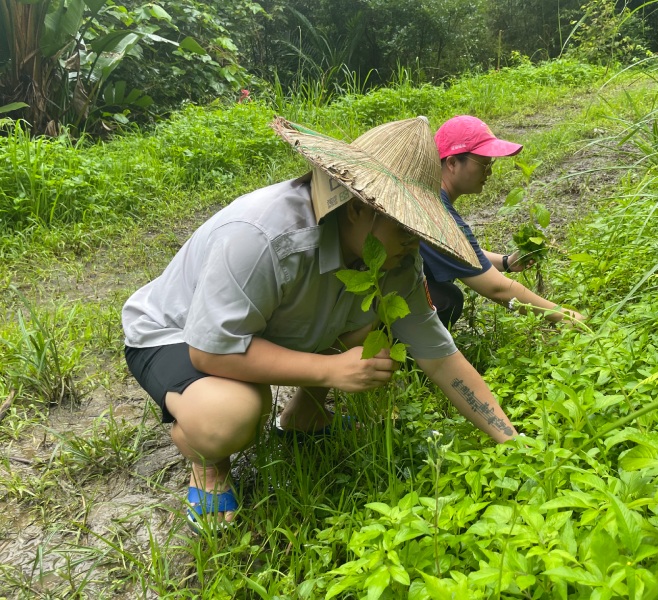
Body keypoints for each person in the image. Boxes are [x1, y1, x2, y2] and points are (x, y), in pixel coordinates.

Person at [122, 116, 522, 529]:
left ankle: (305, 416)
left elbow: (439, 357)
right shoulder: (262, 236)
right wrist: (331, 369)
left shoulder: (396, 257)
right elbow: (209, 349)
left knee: (382, 322)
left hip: (262, 328)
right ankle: (208, 466)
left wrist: (511, 441)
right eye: (405, 225)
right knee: (234, 414)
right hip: (177, 333)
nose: (413, 240)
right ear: (356, 208)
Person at [420, 115, 585, 328]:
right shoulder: (437, 215)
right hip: (374, 302)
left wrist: (506, 262)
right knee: (446, 299)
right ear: (452, 163)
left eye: (491, 163)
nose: (489, 172)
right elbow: (497, 289)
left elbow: (456, 251)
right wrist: (565, 316)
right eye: (483, 164)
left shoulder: (429, 196)